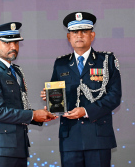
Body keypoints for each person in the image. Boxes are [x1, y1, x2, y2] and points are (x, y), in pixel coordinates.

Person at [41, 12, 122, 167]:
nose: (79, 36)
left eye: (84, 32)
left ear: (92, 35)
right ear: (68, 37)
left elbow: (114, 96)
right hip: (70, 137)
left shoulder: (106, 61)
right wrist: (49, 97)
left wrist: (86, 111)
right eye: (75, 32)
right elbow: (57, 97)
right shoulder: (61, 64)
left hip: (98, 136)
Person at [0, 22, 56, 167]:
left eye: (16, 42)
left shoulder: (16, 71)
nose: (13, 47)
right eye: (7, 42)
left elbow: (17, 106)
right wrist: (32, 115)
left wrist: (39, 115)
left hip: (18, 148)